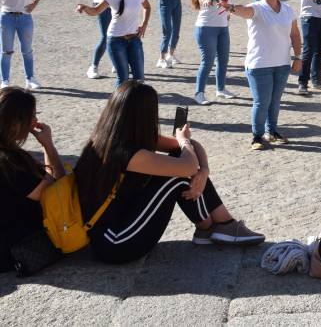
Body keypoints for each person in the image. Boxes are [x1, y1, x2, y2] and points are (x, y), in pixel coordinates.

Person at [74, 81, 264, 264]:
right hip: (114, 242)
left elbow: (191, 149)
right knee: (176, 176)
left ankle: (220, 225)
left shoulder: (116, 136)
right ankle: (211, 226)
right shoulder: (124, 152)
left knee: (178, 156)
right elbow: (187, 165)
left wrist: (203, 170)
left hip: (121, 223)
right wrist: (185, 142)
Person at [222, 0, 301, 150]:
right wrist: (232, 8)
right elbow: (243, 11)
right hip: (259, 64)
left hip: (282, 63)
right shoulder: (257, 8)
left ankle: (271, 131)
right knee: (262, 101)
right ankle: (256, 136)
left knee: (275, 100)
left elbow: (295, 35)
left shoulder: (288, 10)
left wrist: (298, 57)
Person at [0, 87, 65, 273]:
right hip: (12, 248)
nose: (35, 121)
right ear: (15, 123)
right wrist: (48, 146)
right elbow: (57, 188)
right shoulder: (11, 161)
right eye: (32, 116)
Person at [75, 0, 151, 87]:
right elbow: (95, 11)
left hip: (134, 40)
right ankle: (119, 104)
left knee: (139, 79)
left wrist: (144, 24)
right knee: (123, 79)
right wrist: (84, 7)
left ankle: (136, 104)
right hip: (116, 41)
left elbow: (147, 7)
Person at [191, 0, 233, 106]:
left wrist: (229, 12)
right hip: (206, 28)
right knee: (207, 61)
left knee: (223, 59)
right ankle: (199, 93)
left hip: (223, 27)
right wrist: (206, 0)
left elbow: (226, 5)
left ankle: (220, 89)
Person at [1, 0, 43, 89]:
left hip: (25, 18)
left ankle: (30, 78)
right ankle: (5, 81)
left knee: (27, 50)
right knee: (6, 51)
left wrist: (33, 5)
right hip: (6, 18)